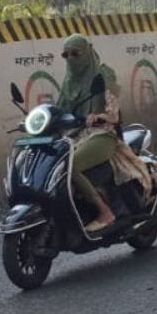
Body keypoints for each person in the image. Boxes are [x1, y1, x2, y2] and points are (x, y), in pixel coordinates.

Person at [56, 34, 122, 233]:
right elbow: (60, 110)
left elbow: (114, 114)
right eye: (65, 55)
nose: (70, 59)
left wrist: (100, 116)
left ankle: (105, 213)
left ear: (86, 52)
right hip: (76, 135)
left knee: (71, 165)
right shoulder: (69, 81)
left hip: (102, 134)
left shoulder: (103, 74)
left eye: (75, 53)